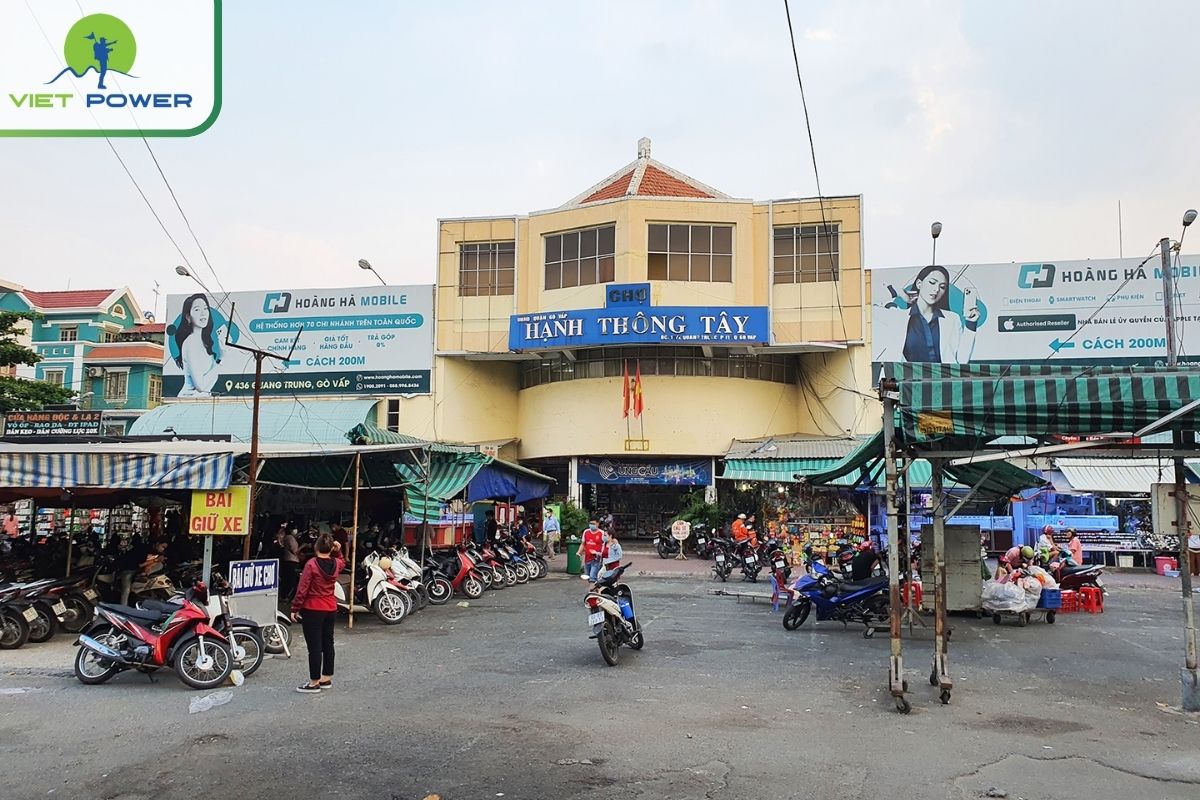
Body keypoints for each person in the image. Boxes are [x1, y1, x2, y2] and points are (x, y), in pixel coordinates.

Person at [881, 265, 979, 364]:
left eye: (942, 287)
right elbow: (868, 300)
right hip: (906, 378)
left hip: (943, 378)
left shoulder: (952, 319)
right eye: (932, 283)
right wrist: (898, 293)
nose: (936, 289)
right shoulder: (897, 317)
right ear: (919, 284)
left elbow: (961, 361)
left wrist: (971, 324)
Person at [292, 533, 344, 693]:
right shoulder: (336, 563)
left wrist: (295, 608)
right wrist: (338, 551)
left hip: (313, 608)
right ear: (330, 548)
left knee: (314, 646)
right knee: (328, 643)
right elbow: (342, 561)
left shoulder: (311, 565)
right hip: (330, 607)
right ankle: (326, 677)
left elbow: (302, 588)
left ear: (316, 547)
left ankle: (314, 682)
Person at [173, 293, 224, 397]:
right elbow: (200, 387)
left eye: (205, 309)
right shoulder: (190, 343)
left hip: (202, 401)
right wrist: (223, 359)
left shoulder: (205, 342)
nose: (203, 313)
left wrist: (222, 355)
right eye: (197, 309)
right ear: (188, 317)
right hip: (188, 400)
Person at [278, 525, 301, 600]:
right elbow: (295, 550)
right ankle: (287, 596)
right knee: (290, 580)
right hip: (292, 561)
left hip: (287, 560)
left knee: (286, 579)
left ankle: (284, 595)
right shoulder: (290, 538)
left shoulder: (286, 537)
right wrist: (304, 546)